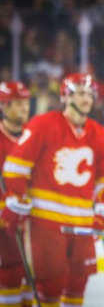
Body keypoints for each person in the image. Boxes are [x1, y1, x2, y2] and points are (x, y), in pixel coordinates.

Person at [0, 73, 104, 306]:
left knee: (79, 286)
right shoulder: (42, 125)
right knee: (50, 288)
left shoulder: (102, 135)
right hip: (47, 223)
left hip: (82, 225)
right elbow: (16, 167)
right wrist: (14, 199)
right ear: (66, 96)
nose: (86, 98)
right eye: (80, 93)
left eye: (89, 93)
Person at [0, 81, 33, 307]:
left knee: (33, 283)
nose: (24, 109)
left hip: (32, 224)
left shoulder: (33, 137)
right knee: (9, 280)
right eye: (18, 104)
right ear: (4, 106)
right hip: (5, 227)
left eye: (26, 103)